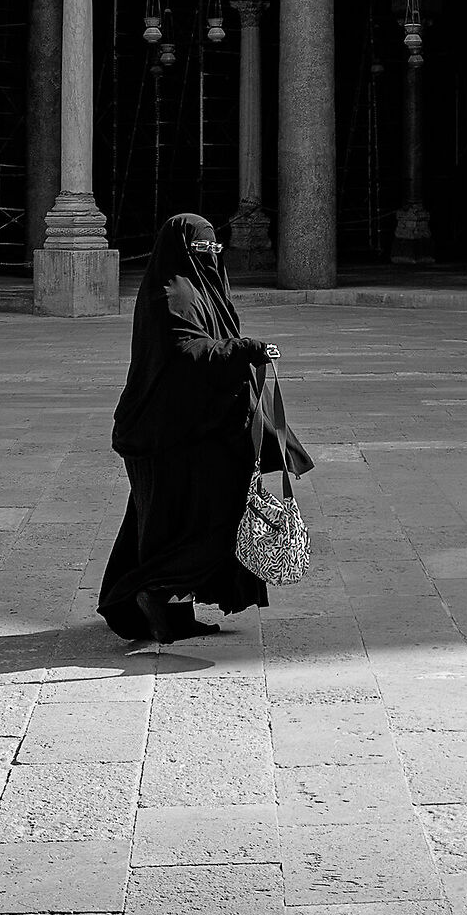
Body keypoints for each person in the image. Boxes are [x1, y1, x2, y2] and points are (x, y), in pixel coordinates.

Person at [98, 211, 311, 643]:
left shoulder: (202, 291)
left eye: (216, 248)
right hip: (169, 434)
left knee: (169, 523)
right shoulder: (171, 293)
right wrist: (243, 349)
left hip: (191, 429)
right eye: (201, 249)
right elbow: (185, 352)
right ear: (180, 250)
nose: (211, 256)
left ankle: (167, 612)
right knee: (203, 520)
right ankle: (154, 590)